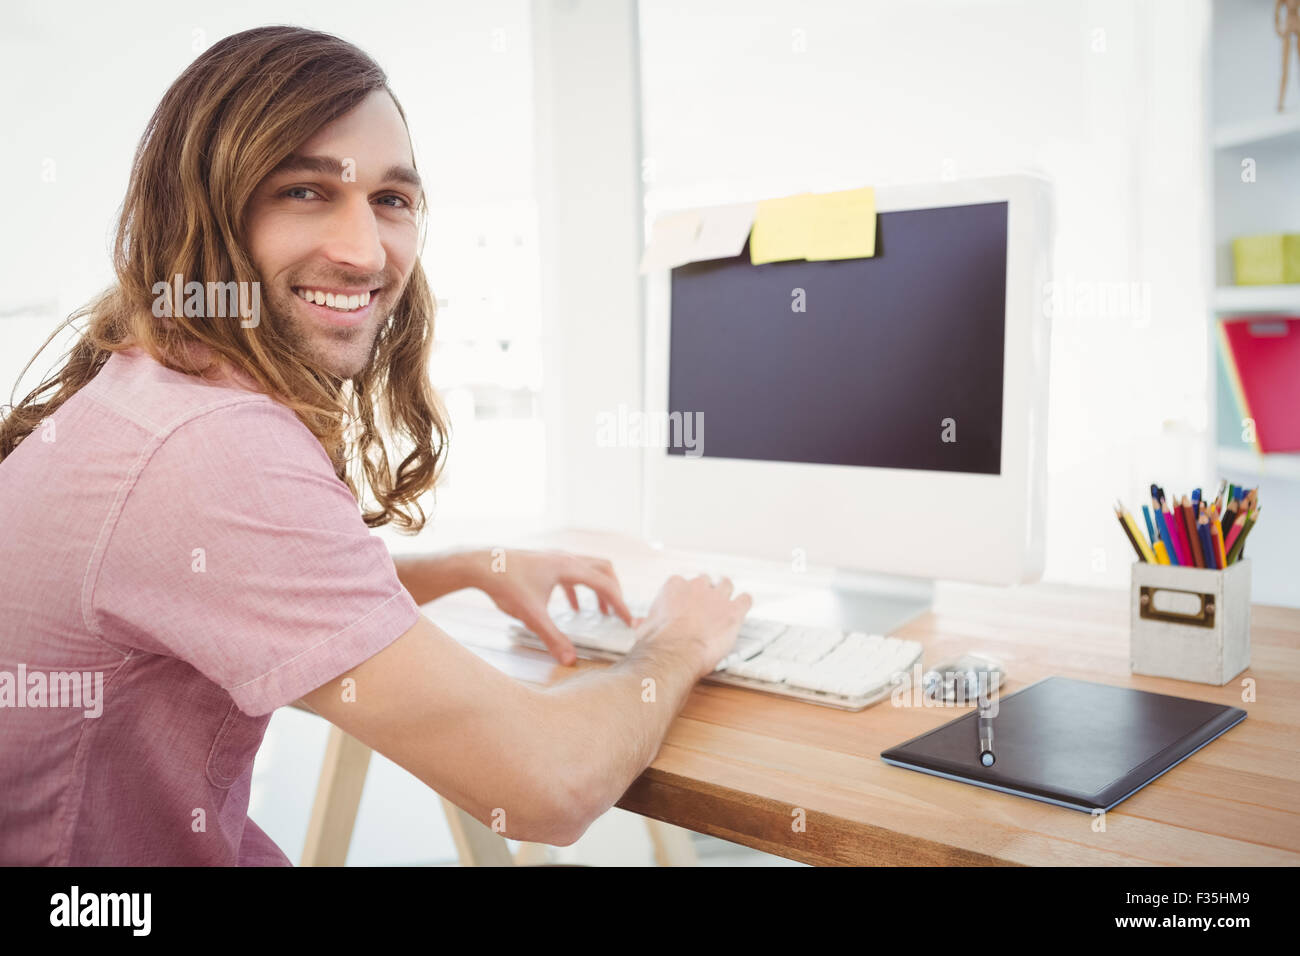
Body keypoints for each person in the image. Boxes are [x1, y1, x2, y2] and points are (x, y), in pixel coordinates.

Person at [0, 25, 750, 866]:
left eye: (391, 200)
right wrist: (677, 641)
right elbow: (549, 785)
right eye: (303, 191)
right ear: (198, 208)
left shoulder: (149, 393)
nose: (365, 253)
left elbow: (202, 584)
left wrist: (467, 566)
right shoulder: (211, 447)